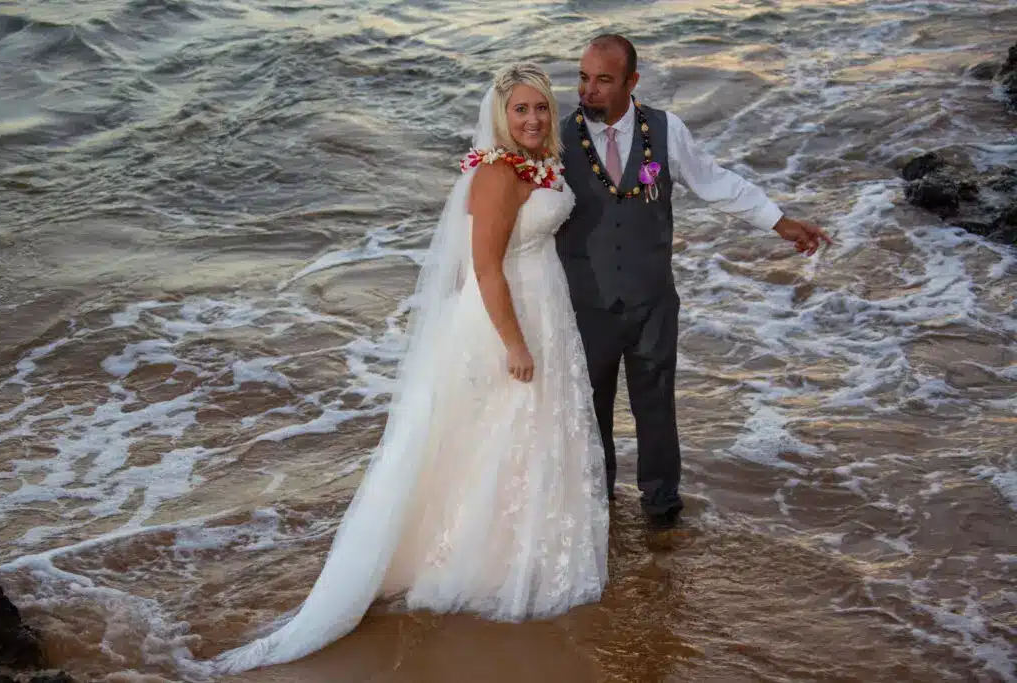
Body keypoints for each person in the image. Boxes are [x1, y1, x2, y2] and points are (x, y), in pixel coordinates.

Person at [203, 63, 610, 675]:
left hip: (543, 308)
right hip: (508, 320)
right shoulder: (497, 173)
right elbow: (487, 270)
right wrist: (515, 345)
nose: (532, 119)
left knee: (521, 438)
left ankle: (516, 549)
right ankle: (483, 563)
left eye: (540, 109)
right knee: (501, 434)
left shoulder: (538, 165)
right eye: (520, 110)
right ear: (501, 117)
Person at [555, 34, 832, 528]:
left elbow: (716, 182)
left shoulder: (665, 129)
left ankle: (662, 514)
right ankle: (597, 516)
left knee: (656, 411)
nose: (588, 91)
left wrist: (779, 220)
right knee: (588, 415)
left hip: (653, 304)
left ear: (631, 82)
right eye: (583, 78)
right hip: (585, 307)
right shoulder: (556, 140)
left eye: (603, 80)